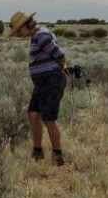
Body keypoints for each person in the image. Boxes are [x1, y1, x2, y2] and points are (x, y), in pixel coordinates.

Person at [9, 11, 67, 166]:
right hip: (42, 83)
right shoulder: (36, 36)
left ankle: (57, 155)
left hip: (51, 81)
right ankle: (37, 151)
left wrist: (60, 73)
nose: (19, 35)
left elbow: (60, 55)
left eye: (18, 31)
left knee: (48, 117)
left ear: (26, 26)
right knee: (33, 114)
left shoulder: (41, 36)